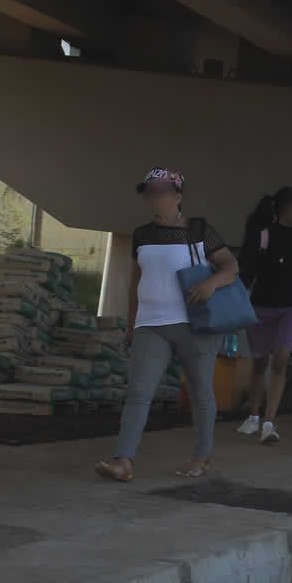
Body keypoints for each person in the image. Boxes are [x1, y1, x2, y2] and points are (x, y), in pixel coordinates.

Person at [95, 168, 238, 482]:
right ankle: (124, 460)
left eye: (161, 191)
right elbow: (136, 281)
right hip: (151, 325)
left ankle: (201, 456)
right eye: (149, 192)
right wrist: (132, 323)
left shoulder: (200, 230)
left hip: (194, 324)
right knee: (138, 391)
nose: (154, 198)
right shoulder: (141, 235)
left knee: (200, 391)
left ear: (178, 196)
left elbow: (230, 266)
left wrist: (212, 283)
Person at [235, 187, 292, 445]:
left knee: (281, 360)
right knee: (259, 362)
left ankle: (269, 423)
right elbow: (246, 274)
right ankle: (253, 416)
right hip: (261, 308)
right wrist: (232, 302)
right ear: (287, 209)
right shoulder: (262, 237)